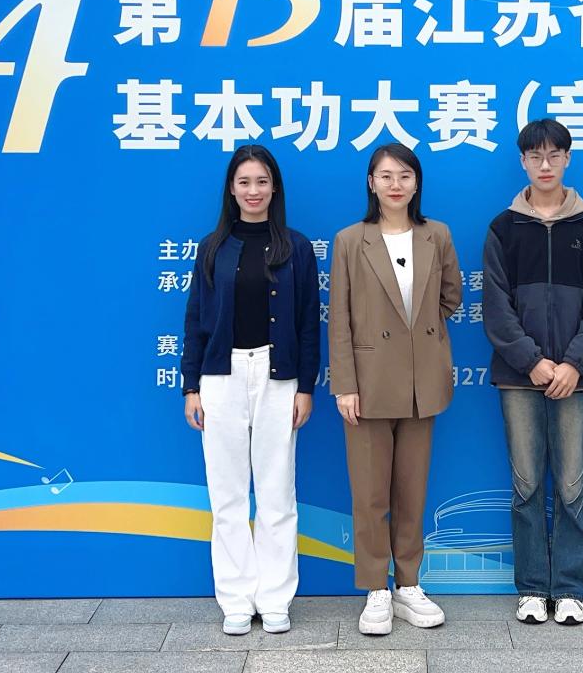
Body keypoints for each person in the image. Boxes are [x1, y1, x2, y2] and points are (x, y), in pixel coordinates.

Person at [181, 144, 320, 637]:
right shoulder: (212, 247)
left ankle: (276, 598)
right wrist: (191, 386)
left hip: (278, 377)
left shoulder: (296, 248)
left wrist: (306, 386)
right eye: (244, 182)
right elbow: (195, 320)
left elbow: (308, 323)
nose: (253, 191)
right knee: (228, 494)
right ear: (231, 189)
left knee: (278, 491)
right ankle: (237, 599)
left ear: (274, 187)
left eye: (262, 181)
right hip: (221, 377)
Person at [481, 118, 583, 626]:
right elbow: (496, 309)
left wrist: (573, 364)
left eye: (554, 155)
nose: (545, 164)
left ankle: (572, 588)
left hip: (578, 378)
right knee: (527, 484)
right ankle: (534, 588)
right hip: (520, 377)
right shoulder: (503, 228)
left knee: (573, 484)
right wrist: (533, 361)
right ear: (522, 162)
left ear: (567, 159)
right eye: (535, 156)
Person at [329, 142, 462, 636]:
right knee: (370, 494)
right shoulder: (350, 240)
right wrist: (345, 383)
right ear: (371, 182)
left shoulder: (436, 234)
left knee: (412, 490)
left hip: (422, 380)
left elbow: (451, 297)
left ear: (416, 182)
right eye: (385, 176)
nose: (395, 184)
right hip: (367, 382)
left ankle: (408, 584)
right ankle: (375, 589)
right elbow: (339, 319)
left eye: (404, 175)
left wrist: (418, 339)